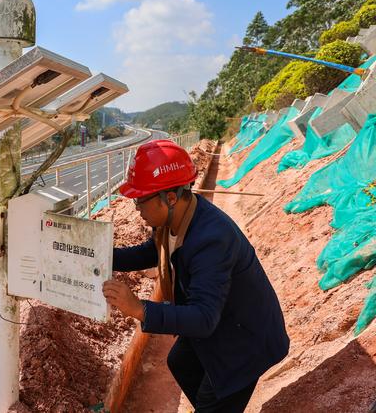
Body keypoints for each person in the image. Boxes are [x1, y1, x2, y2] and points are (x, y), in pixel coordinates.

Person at [102, 139, 289, 412]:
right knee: (181, 362)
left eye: (141, 200)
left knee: (214, 397)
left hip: (245, 341)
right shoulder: (173, 220)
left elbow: (202, 318)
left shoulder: (211, 240)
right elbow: (148, 253)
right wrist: (100, 254)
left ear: (171, 197)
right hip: (223, 320)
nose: (137, 208)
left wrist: (140, 309)